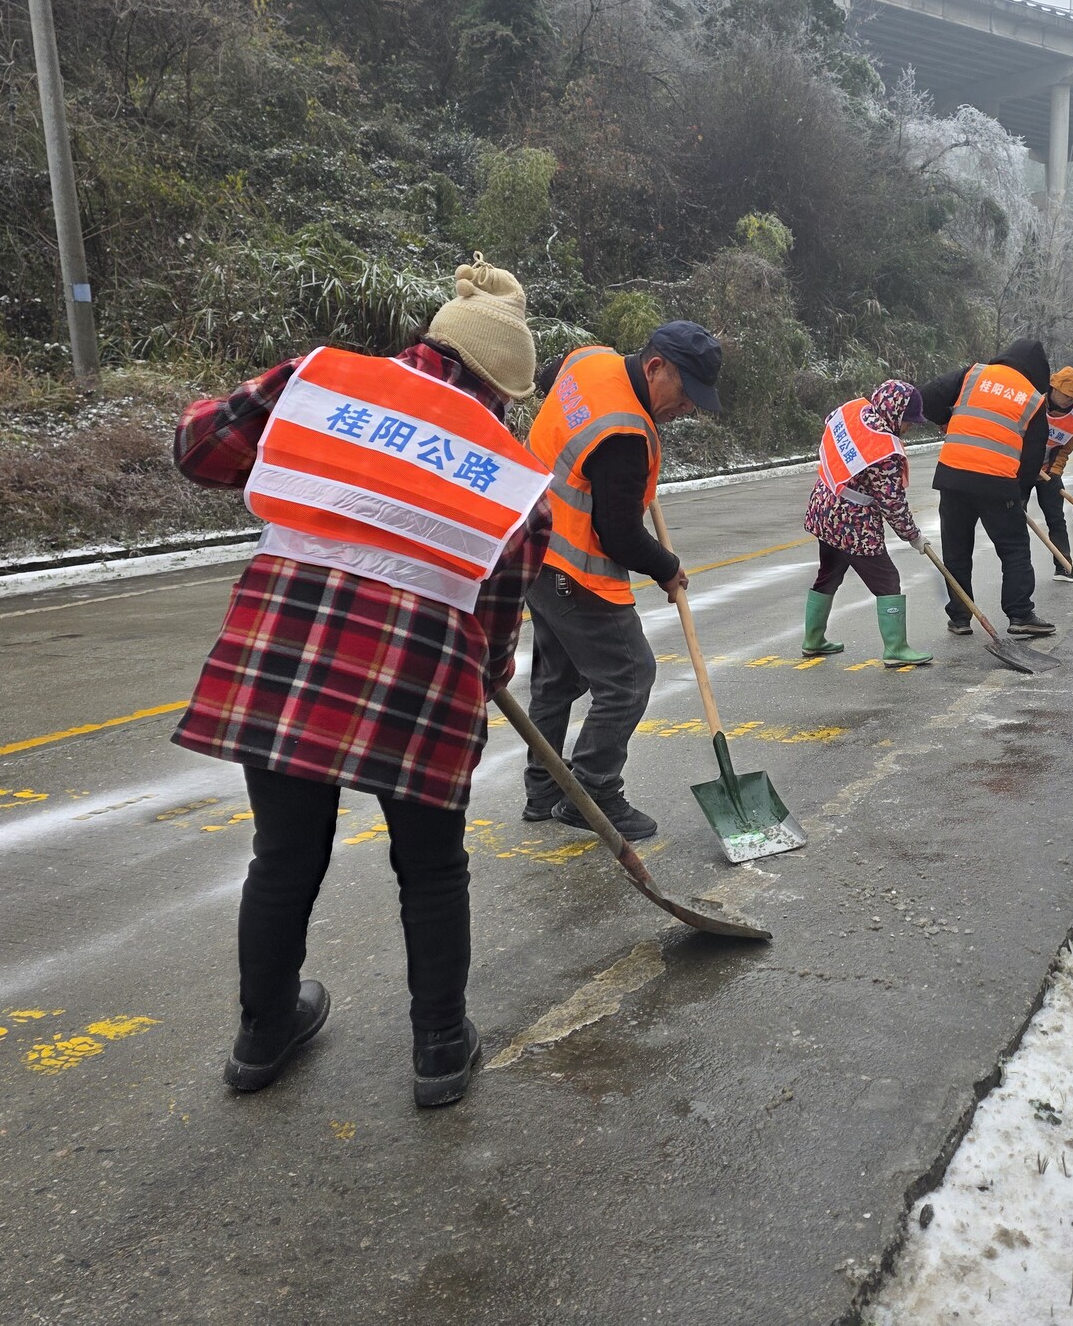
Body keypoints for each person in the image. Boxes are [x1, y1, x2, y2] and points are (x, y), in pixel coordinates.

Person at [173, 254, 552, 1108]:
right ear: (502, 388)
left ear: (432, 344)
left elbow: (199, 449)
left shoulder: (318, 381)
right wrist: (486, 679)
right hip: (420, 686)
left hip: (283, 660)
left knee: (283, 855)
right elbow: (495, 627)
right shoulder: (517, 477)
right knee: (432, 868)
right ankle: (440, 1051)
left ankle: (262, 1035)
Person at [520, 322, 722, 841]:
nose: (689, 409)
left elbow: (550, 379)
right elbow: (620, 537)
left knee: (558, 680)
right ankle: (594, 792)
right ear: (655, 368)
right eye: (686, 394)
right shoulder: (624, 437)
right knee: (629, 677)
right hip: (572, 572)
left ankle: (544, 792)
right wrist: (667, 567)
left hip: (530, 550)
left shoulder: (589, 361)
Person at [920, 339, 1056, 637]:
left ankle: (959, 617)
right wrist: (1019, 494)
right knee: (1014, 550)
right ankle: (1020, 615)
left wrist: (948, 418)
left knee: (956, 551)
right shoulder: (1033, 399)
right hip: (997, 482)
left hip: (953, 477)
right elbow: (1033, 456)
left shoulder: (973, 374)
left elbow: (926, 397)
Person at [799, 379, 934, 667]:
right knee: (887, 580)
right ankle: (896, 649)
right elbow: (892, 502)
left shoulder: (853, 411)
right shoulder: (884, 449)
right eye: (908, 421)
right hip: (853, 524)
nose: (909, 427)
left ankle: (813, 640)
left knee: (829, 573)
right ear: (895, 413)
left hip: (825, 506)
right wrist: (914, 536)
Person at [1036, 366, 1073, 581]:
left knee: (1056, 519)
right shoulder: (1034, 403)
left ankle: (1064, 566)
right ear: (1053, 387)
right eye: (1066, 395)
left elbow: (1064, 451)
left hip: (1049, 469)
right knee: (1015, 519)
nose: (1069, 400)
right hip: (1020, 469)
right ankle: (1018, 571)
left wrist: (1054, 471)